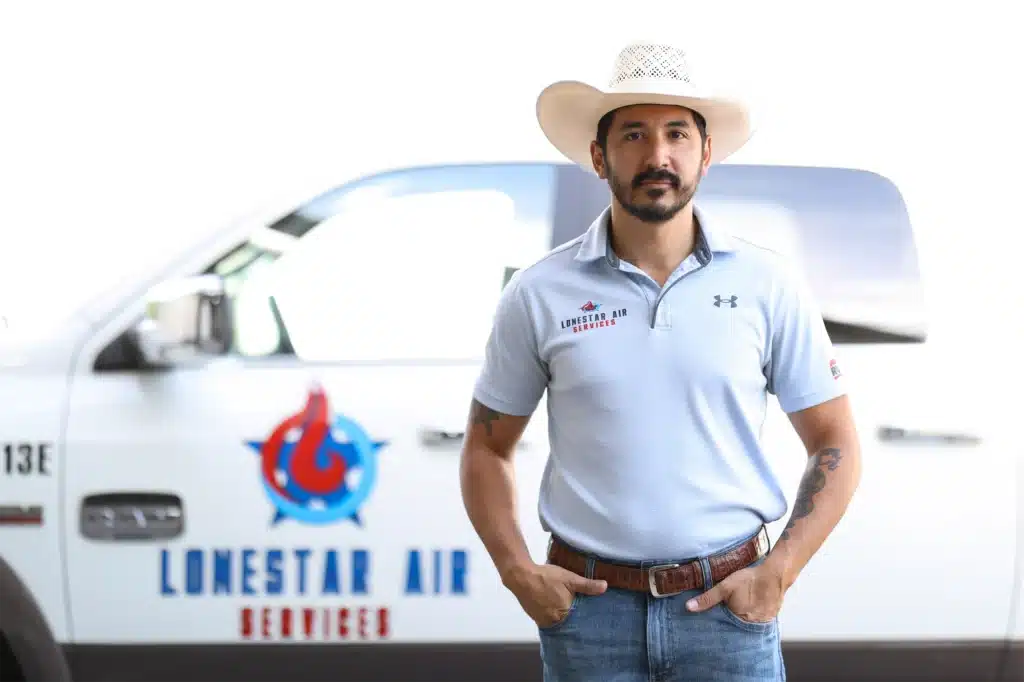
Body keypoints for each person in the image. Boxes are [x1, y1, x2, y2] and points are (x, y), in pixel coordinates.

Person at [459, 41, 862, 682]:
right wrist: (517, 572)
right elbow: (486, 447)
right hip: (588, 617)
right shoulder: (539, 292)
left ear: (706, 152)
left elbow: (834, 439)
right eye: (634, 135)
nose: (658, 156)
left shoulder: (768, 284)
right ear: (599, 156)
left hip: (728, 612)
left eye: (677, 133)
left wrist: (777, 574)